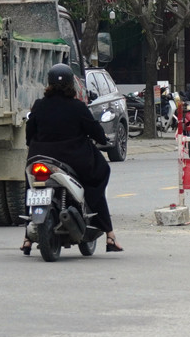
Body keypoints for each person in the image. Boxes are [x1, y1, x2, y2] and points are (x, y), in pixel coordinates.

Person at [24, 63, 122, 253]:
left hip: (40, 156)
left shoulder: (39, 105)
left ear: (49, 83)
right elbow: (95, 131)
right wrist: (102, 139)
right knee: (99, 175)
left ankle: (27, 239)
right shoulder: (78, 107)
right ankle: (109, 234)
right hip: (74, 158)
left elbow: (30, 134)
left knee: (31, 185)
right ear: (72, 84)